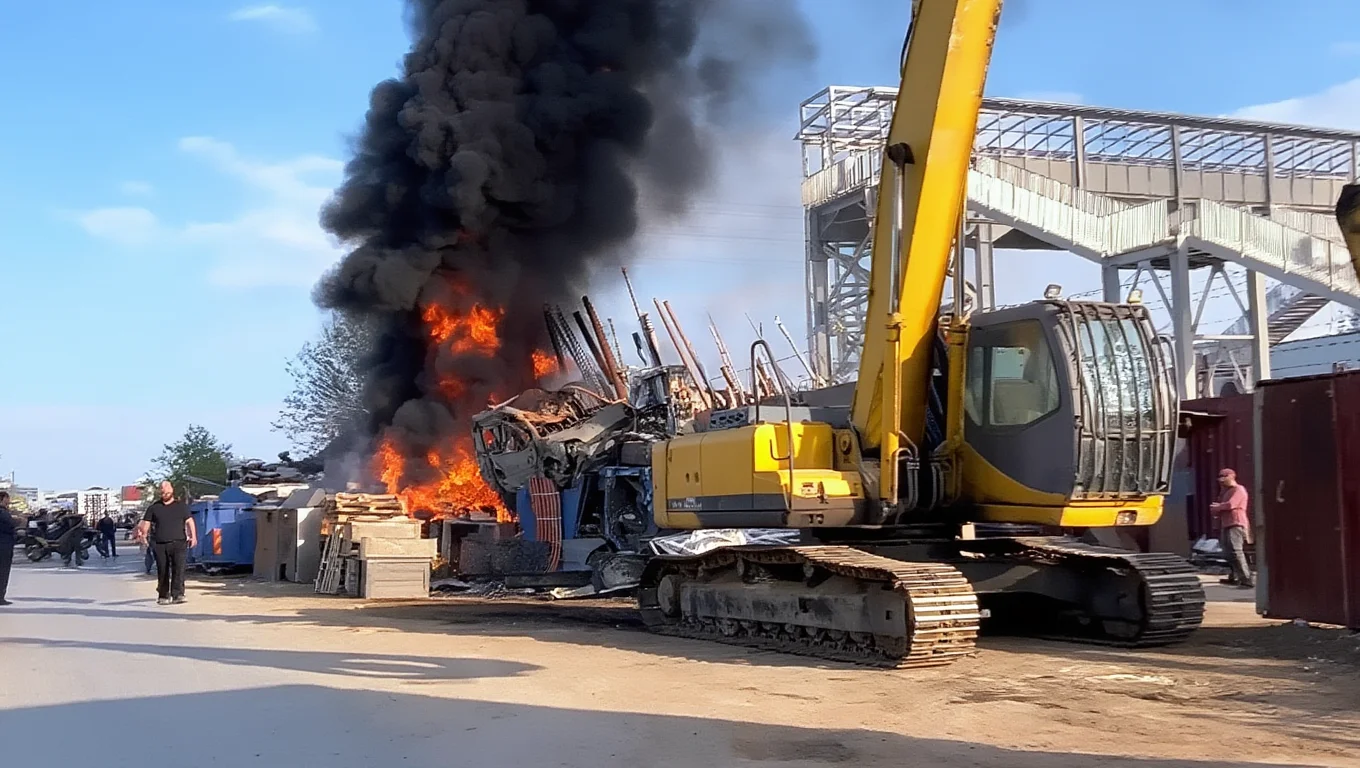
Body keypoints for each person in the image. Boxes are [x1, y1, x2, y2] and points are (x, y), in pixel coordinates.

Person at [135, 481, 197, 605]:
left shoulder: (181, 506)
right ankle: (163, 595)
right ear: (160, 492)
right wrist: (143, 535)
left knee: (179, 569)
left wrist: (193, 536)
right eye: (162, 491)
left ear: (172, 490)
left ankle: (178, 594)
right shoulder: (154, 507)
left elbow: (190, 521)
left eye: (167, 490)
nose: (165, 493)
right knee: (162, 570)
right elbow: (146, 523)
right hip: (160, 544)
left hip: (179, 543)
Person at [1210, 468, 1254, 588]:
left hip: (1236, 523)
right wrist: (1217, 510)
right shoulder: (1225, 492)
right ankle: (1235, 577)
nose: (1222, 481)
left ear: (1232, 477)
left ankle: (1246, 580)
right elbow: (1223, 507)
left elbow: (1231, 505)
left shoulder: (1239, 489)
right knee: (1228, 553)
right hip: (1226, 524)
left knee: (1236, 552)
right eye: (1220, 479)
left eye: (1224, 478)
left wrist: (1218, 507)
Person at [0, 491, 16, 606]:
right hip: (4, 545)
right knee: (3, 571)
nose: (9, 501)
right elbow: (10, 525)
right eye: (7, 499)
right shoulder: (3, 513)